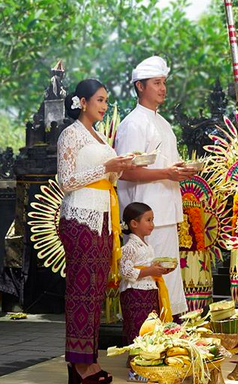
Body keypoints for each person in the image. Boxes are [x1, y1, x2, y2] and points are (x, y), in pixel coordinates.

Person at [58, 79, 135, 384]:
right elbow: (66, 181)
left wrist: (119, 166)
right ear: (82, 102)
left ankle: (88, 361)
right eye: (100, 100)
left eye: (106, 101)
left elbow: (108, 176)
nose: (104, 106)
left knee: (95, 294)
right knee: (81, 292)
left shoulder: (100, 137)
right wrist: (106, 168)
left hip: (104, 217)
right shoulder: (70, 135)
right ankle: (79, 364)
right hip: (80, 219)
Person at [115, 56, 194, 316]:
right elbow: (124, 171)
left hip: (164, 211)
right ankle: (150, 334)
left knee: (168, 275)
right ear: (140, 86)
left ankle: (169, 331)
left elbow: (163, 167)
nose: (163, 88)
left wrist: (179, 170)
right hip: (144, 217)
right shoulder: (133, 123)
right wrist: (167, 173)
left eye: (164, 83)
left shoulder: (162, 123)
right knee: (149, 279)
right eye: (157, 83)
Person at [120, 202, 175, 382]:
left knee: (148, 329)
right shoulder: (129, 247)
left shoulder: (146, 246)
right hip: (134, 294)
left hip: (149, 291)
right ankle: (135, 369)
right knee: (136, 329)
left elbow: (148, 268)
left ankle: (145, 363)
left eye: (153, 220)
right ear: (134, 224)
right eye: (148, 220)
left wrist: (160, 270)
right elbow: (126, 272)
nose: (152, 224)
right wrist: (150, 271)